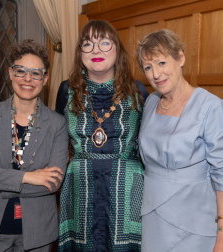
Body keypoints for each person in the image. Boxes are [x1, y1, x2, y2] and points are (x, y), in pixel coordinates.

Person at [55, 20, 149, 252]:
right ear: (80, 53)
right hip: (79, 191)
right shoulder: (66, 90)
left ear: (118, 50)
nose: (96, 50)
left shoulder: (138, 92)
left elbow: (151, 146)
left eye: (105, 43)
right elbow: (54, 140)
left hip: (127, 193)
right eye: (88, 44)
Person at [0, 39, 69, 251]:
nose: (27, 78)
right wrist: (29, 177)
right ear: (10, 73)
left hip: (37, 233)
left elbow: (52, 183)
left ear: (45, 79)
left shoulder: (58, 124)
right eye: (21, 70)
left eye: (36, 73)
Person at [136, 28, 223, 252]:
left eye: (162, 63)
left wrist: (222, 233)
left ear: (180, 58)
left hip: (194, 220)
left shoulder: (210, 105)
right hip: (153, 216)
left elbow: (221, 173)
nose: (156, 74)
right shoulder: (151, 102)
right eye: (148, 67)